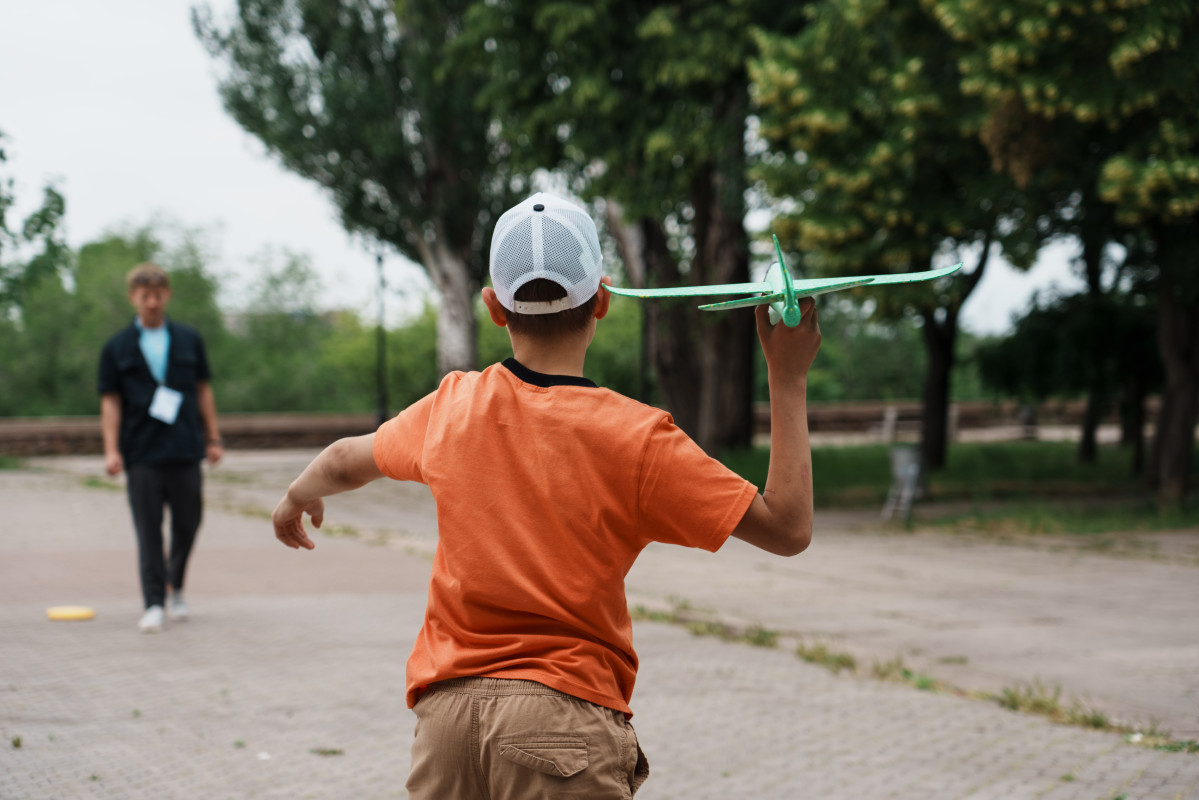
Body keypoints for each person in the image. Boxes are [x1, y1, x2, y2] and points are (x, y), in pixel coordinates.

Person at [271, 193, 820, 798]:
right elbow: (787, 527)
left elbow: (344, 460)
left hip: (446, 726)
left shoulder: (451, 407)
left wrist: (296, 496)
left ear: (493, 308)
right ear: (602, 299)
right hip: (562, 720)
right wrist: (787, 376)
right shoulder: (637, 437)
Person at [99, 262, 224, 633]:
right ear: (132, 298)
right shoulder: (116, 347)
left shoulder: (188, 339)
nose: (151, 302)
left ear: (166, 295)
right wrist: (111, 450)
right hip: (141, 451)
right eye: (144, 296)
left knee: (189, 522)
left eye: (157, 295)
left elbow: (203, 390)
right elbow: (110, 401)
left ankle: (175, 584)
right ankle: (154, 602)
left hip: (185, 447)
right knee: (148, 530)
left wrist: (213, 438)